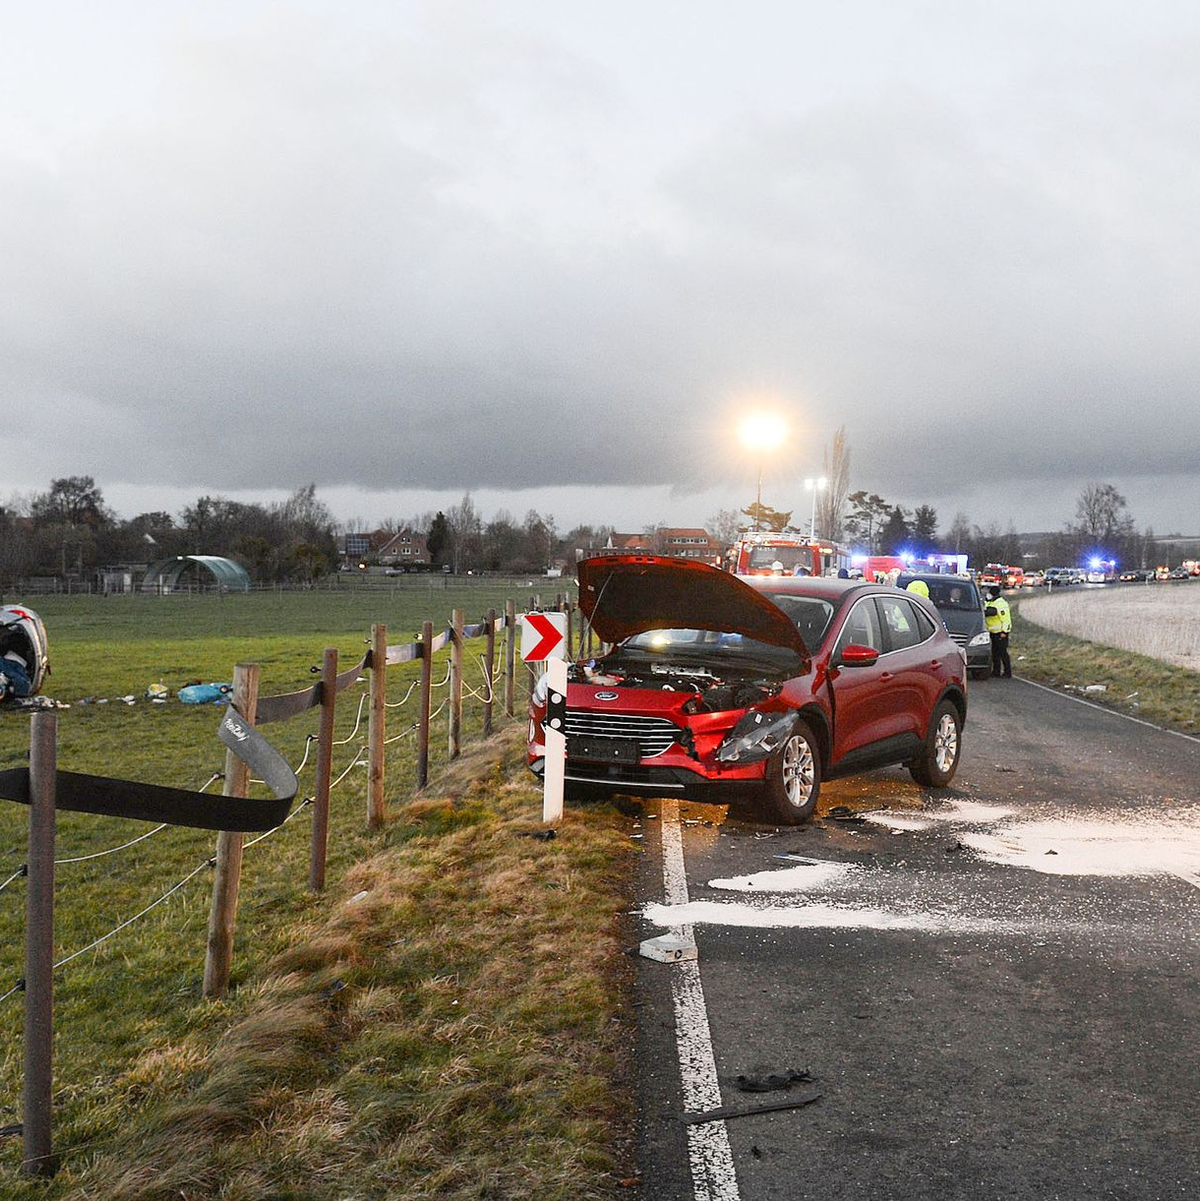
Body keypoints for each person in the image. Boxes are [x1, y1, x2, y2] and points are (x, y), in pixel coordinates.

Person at [984, 585, 1012, 677]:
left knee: (1002, 653)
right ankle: (996, 671)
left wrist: (1004, 632)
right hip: (992, 632)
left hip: (1000, 632)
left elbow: (1006, 619)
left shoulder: (1001, 603)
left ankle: (1007, 672)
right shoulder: (990, 602)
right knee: (995, 653)